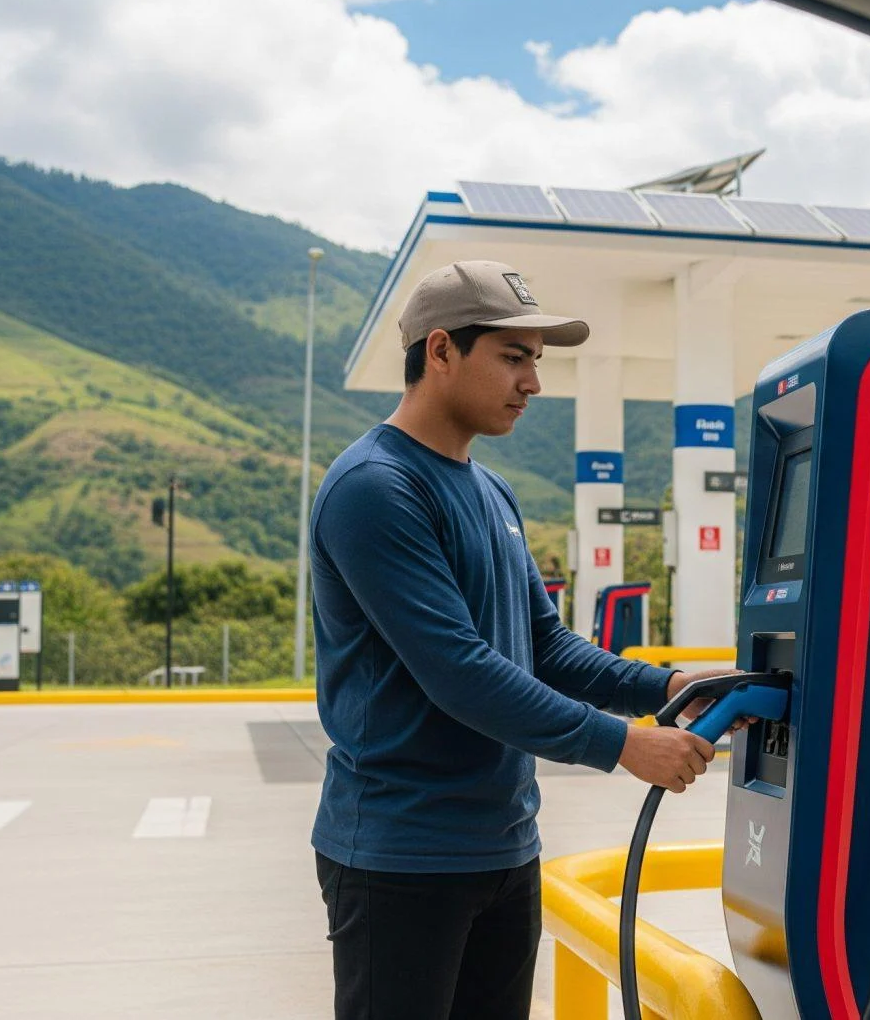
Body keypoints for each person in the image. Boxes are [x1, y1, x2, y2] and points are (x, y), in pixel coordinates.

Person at [308, 260, 728, 1019]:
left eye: (536, 359)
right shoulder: (375, 488)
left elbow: (543, 645)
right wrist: (625, 744)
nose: (533, 381)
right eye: (513, 356)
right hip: (400, 856)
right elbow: (459, 671)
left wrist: (671, 686)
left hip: (504, 850)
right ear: (440, 351)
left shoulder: (490, 488)